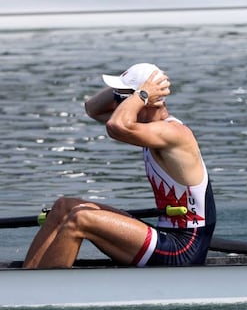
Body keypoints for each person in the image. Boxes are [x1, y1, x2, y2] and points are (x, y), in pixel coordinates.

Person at [24, 63, 216, 268]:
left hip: (184, 247)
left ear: (146, 100)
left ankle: (49, 285)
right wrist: (133, 89)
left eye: (121, 97)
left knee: (80, 220)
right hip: (166, 235)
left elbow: (115, 126)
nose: (116, 103)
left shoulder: (173, 133)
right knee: (64, 207)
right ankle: (28, 277)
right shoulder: (146, 127)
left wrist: (142, 93)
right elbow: (92, 109)